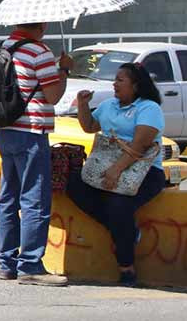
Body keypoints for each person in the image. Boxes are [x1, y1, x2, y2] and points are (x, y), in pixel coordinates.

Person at [67, 63, 167, 287]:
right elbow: (90, 126)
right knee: (74, 185)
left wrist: (116, 170)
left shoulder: (148, 108)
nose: (115, 83)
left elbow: (140, 146)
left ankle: (126, 268)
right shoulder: (109, 105)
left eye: (120, 80)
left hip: (144, 171)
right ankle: (127, 233)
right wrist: (83, 105)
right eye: (115, 79)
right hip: (109, 164)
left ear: (135, 86)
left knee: (119, 204)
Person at [0, 21, 73, 286]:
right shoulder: (39, 53)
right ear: (41, 25)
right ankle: (30, 265)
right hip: (31, 131)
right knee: (35, 199)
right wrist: (63, 69)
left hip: (4, 130)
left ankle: (6, 263)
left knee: (8, 197)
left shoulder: (2, 48)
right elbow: (53, 96)